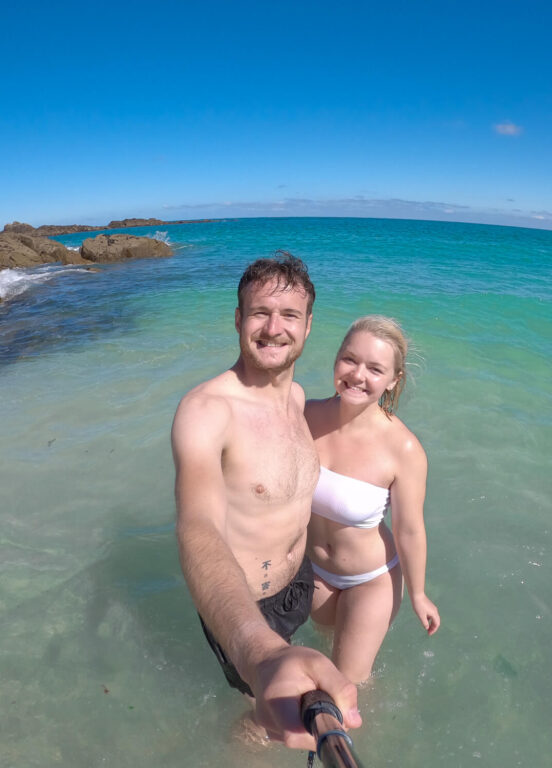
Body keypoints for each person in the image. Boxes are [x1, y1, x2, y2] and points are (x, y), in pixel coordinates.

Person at [171, 252, 360, 749]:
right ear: (237, 319)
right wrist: (259, 651)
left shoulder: (297, 399)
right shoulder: (207, 411)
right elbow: (198, 527)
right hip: (245, 609)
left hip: (299, 578)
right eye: (259, 313)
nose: (274, 328)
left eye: (289, 315)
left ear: (309, 325)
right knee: (261, 728)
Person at [305, 316, 441, 684]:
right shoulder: (304, 415)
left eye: (375, 369)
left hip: (368, 581)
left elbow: (410, 530)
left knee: (345, 688)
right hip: (311, 575)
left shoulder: (404, 449)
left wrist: (418, 594)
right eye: (350, 359)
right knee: (319, 656)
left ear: (394, 380)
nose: (358, 375)